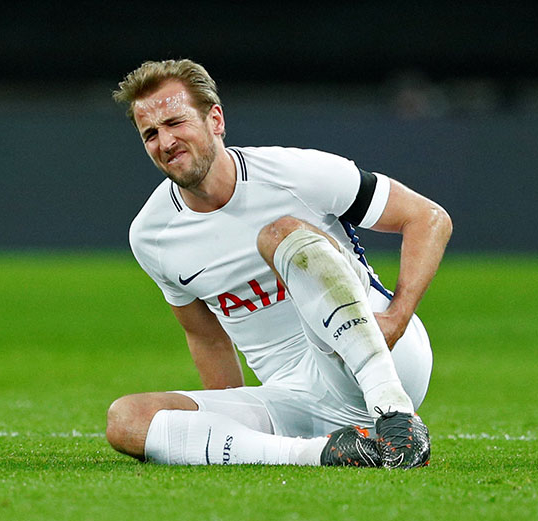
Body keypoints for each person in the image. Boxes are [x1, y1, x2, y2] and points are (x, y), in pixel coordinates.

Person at [106, 59, 452, 468]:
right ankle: (326, 453)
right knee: (127, 420)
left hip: (382, 355)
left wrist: (396, 317)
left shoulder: (294, 173)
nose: (165, 142)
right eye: (151, 133)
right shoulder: (151, 234)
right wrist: (222, 418)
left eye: (176, 123)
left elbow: (428, 218)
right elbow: (205, 337)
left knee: (280, 234)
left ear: (215, 119)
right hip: (294, 399)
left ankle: (395, 415)